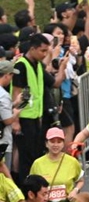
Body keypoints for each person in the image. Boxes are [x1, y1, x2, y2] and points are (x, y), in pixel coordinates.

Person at [12, 34, 53, 184]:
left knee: (35, 154)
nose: (44, 54)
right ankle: (25, 188)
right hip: (24, 117)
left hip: (36, 116)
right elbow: (17, 92)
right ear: (32, 48)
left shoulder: (37, 65)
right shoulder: (21, 65)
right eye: (42, 51)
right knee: (26, 157)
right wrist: (16, 120)